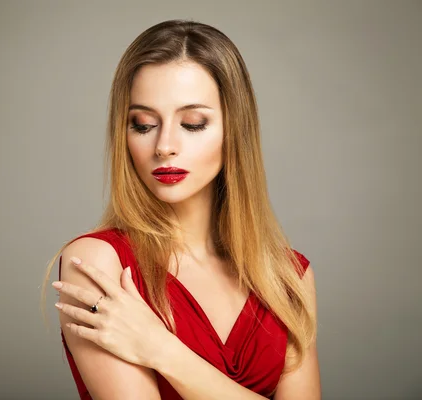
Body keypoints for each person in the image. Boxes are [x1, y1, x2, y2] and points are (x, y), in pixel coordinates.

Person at [40, 19, 321, 399]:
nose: (164, 145)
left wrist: (163, 351)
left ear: (233, 131)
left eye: (192, 123)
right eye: (142, 125)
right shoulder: (97, 265)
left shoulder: (288, 277)